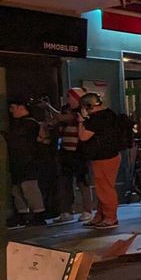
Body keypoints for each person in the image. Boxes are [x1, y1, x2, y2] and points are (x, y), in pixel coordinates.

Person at [76, 92, 126, 229]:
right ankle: (101, 215)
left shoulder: (96, 119)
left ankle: (110, 217)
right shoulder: (110, 114)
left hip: (103, 157)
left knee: (105, 188)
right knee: (103, 188)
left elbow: (83, 137)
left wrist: (81, 122)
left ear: (88, 106)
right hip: (112, 155)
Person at [53, 88, 94, 223]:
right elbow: (58, 121)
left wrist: (48, 107)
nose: (68, 99)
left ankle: (87, 210)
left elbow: (63, 118)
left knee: (82, 181)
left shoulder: (82, 111)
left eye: (70, 97)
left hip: (79, 151)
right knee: (65, 181)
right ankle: (66, 210)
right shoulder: (65, 109)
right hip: (65, 150)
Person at [7, 100, 48, 226]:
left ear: (21, 107)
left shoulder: (30, 124)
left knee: (29, 188)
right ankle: (24, 214)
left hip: (28, 161)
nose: (11, 111)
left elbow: (17, 137)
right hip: (19, 161)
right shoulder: (21, 124)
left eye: (13, 107)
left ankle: (38, 214)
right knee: (17, 189)